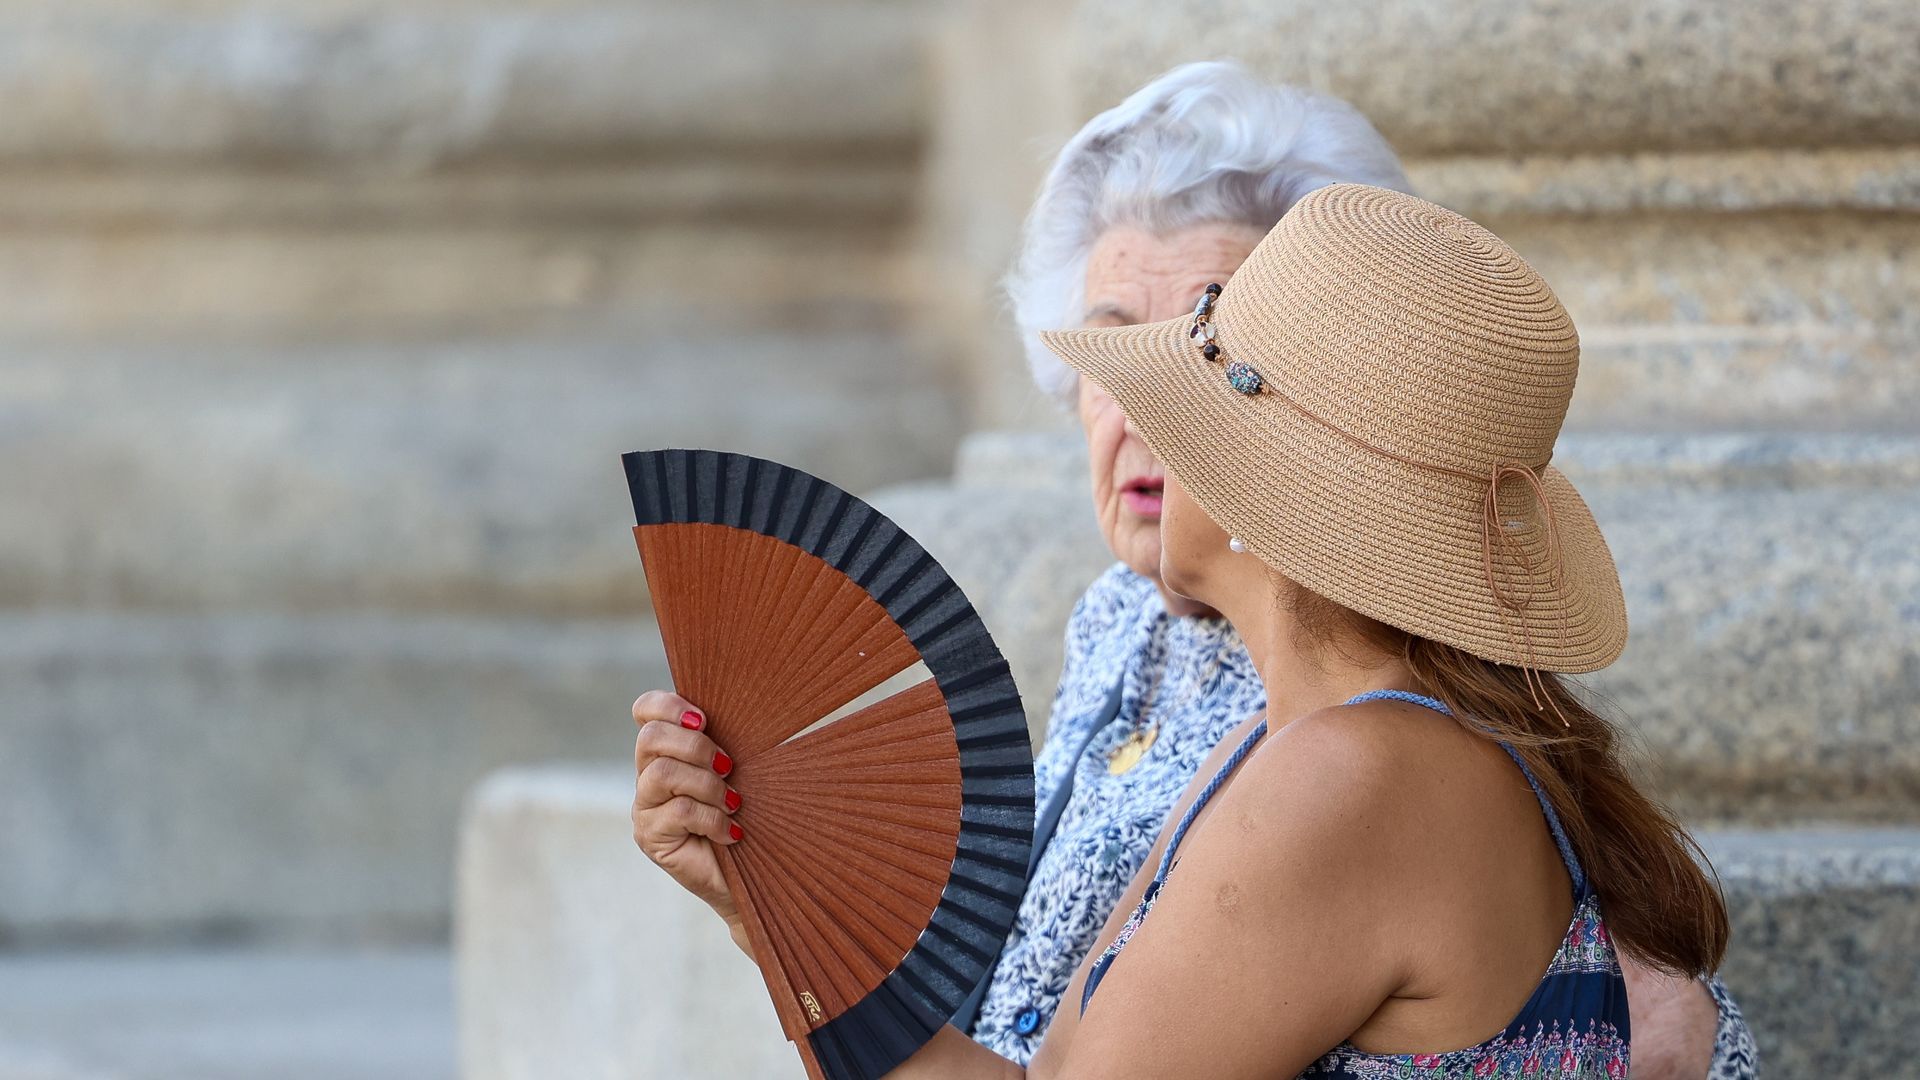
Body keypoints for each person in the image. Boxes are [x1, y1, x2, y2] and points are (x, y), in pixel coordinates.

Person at [629, 63, 1753, 1077]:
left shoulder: (1355, 776)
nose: (1139, 425)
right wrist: (767, 899)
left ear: (1282, 495)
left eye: (1188, 390)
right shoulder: (1280, 748)